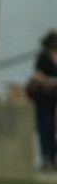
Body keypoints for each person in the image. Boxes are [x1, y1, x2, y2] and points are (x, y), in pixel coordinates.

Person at [27, 30, 57, 170]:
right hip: (44, 98)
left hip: (54, 99)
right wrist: (50, 82)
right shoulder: (44, 58)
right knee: (46, 126)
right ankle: (47, 158)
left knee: (51, 127)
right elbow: (37, 76)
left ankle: (52, 156)